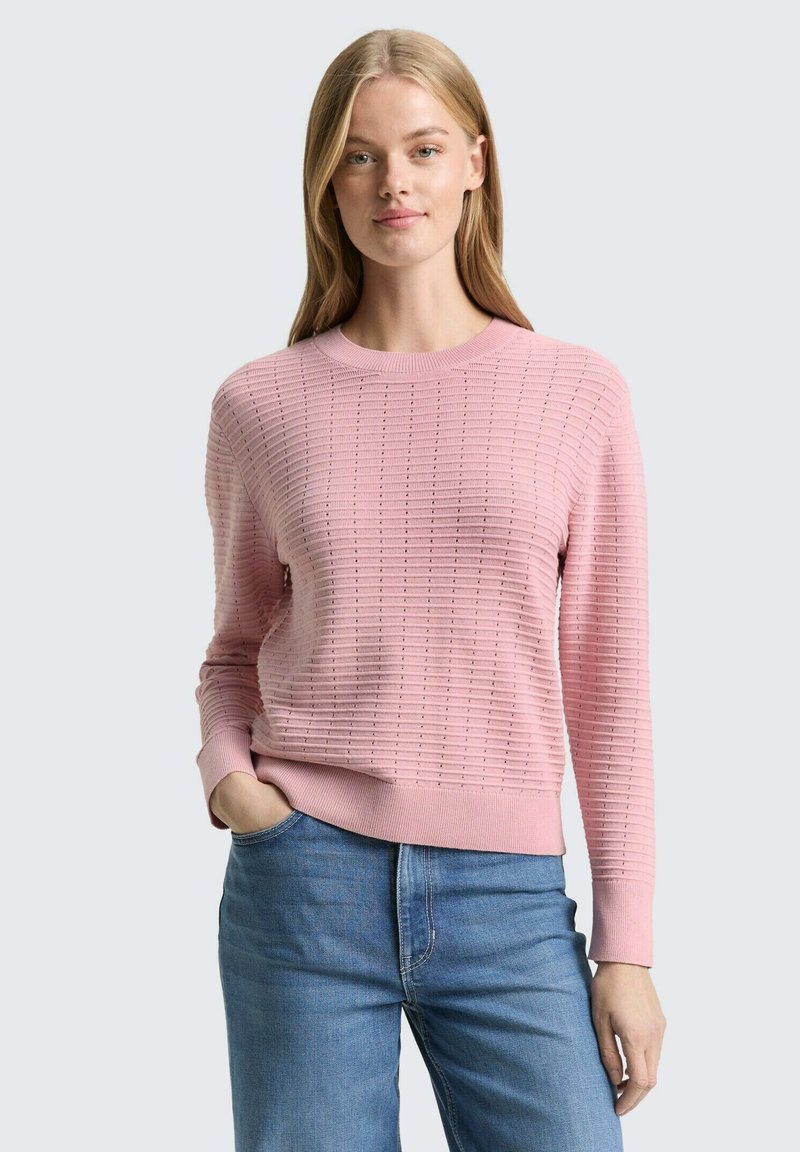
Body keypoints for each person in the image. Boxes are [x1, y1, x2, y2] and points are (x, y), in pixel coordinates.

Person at [194, 26, 666, 1152]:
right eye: (357, 156)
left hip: (509, 898)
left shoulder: (577, 395)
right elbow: (234, 648)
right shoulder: (259, 405)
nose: (391, 183)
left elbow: (608, 689)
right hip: (301, 881)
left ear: (474, 164)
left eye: (421, 148)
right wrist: (230, 784)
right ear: (326, 181)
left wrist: (627, 948)